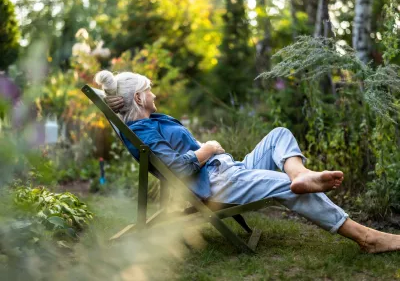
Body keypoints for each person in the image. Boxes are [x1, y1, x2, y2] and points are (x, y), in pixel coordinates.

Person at [95, 70, 400, 254]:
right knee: (285, 187)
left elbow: (112, 100)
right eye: (148, 89)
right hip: (217, 184)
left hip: (228, 170)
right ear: (138, 98)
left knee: (278, 134)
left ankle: (302, 173)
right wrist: (208, 148)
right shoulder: (144, 132)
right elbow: (180, 169)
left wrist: (110, 95)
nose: (154, 92)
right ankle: (367, 237)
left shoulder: (148, 121)